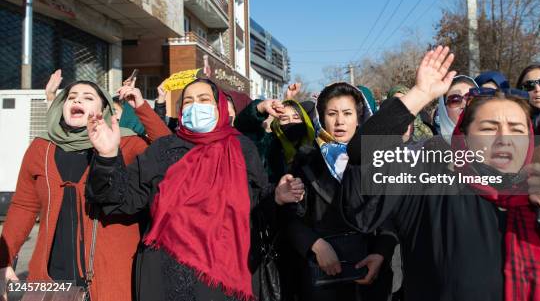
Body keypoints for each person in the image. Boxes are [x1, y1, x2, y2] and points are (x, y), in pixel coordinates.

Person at [341, 46, 540, 301]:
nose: (504, 138)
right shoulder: (428, 188)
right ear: (464, 138)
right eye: (489, 128)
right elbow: (364, 158)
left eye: (517, 130)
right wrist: (421, 94)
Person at [84, 78, 305, 301]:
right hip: (165, 271)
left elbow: (255, 203)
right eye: (188, 101)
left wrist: (276, 196)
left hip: (223, 277)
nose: (195, 106)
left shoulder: (241, 148)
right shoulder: (163, 149)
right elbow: (122, 199)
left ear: (219, 107)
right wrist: (107, 157)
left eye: (204, 99)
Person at [0, 80, 171, 301]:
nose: (78, 99)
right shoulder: (41, 147)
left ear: (104, 109)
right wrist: (4, 260)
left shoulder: (126, 143)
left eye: (88, 97)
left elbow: (168, 154)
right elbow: (23, 206)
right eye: (71, 97)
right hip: (51, 282)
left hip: (112, 279)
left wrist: (141, 108)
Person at [286, 82, 396, 301]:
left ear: (359, 117)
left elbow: (391, 216)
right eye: (332, 113)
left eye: (347, 113)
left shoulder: (378, 158)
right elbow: (290, 216)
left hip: (371, 271)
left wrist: (380, 253)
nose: (339, 121)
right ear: (320, 117)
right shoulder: (306, 159)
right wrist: (315, 245)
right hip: (324, 275)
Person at [435, 75, 478, 144]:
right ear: (443, 109)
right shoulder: (429, 149)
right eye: (455, 100)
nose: (464, 105)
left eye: (471, 99)